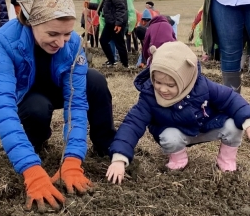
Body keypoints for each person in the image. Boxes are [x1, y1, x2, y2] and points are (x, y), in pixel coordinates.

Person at [0, 0, 116, 212]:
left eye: (67, 33)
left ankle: (105, 144)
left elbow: (75, 104)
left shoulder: (73, 44)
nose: (60, 42)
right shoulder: (5, 41)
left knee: (94, 80)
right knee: (37, 106)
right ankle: (34, 145)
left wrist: (73, 159)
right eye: (52, 33)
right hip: (29, 95)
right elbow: (3, 107)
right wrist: (32, 171)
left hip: (58, 89)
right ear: (31, 23)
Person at [106, 41, 250, 184]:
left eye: (170, 85)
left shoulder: (203, 86)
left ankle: (226, 160)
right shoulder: (149, 96)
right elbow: (133, 124)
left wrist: (248, 120)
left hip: (207, 126)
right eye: (158, 82)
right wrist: (119, 158)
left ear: (185, 79)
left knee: (234, 126)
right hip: (178, 133)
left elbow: (231, 99)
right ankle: (178, 158)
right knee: (169, 137)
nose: (162, 89)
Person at [87, 0, 128, 67]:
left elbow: (121, 8)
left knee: (119, 43)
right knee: (103, 41)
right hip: (110, 22)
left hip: (117, 22)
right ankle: (112, 60)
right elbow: (102, 6)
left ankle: (125, 65)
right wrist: (89, 5)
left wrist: (118, 23)